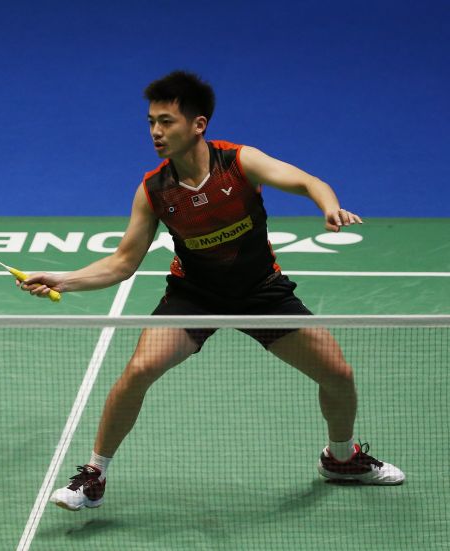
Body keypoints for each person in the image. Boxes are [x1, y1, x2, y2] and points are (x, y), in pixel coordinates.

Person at [21, 71, 404, 511]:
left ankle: (341, 459)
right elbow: (123, 262)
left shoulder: (240, 162)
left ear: (198, 124)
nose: (156, 133)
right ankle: (94, 475)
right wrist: (63, 281)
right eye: (150, 122)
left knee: (338, 374)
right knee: (139, 370)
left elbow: (305, 181)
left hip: (261, 293)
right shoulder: (154, 190)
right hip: (195, 295)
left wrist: (328, 205)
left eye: (166, 122)